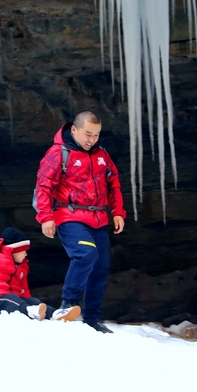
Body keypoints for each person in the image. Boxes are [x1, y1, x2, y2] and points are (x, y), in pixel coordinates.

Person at [33, 111, 125, 333]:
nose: (92, 139)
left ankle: (92, 320)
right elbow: (43, 187)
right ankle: (68, 304)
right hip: (69, 215)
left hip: (98, 218)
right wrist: (45, 217)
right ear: (74, 130)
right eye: (88, 134)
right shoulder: (58, 154)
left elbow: (113, 183)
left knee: (100, 268)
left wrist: (118, 211)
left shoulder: (101, 153)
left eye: (96, 134)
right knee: (86, 254)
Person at [0, 227, 81, 322]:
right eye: (23, 251)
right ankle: (30, 311)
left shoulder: (22, 266)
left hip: (13, 296)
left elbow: (23, 288)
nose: (26, 255)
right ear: (14, 250)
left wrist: (28, 299)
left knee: (32, 300)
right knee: (11, 300)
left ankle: (54, 313)